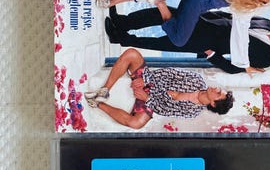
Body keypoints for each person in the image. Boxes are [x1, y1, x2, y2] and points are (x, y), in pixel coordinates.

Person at [105, 7, 270, 74]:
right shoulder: (266, 22)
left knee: (161, 43)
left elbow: (235, 69)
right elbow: (232, 16)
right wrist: (208, 13)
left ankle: (119, 37)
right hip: (205, 22)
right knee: (161, 14)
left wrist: (212, 54)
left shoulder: (265, 58)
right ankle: (122, 22)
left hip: (207, 44)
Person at [85, 48, 234, 129]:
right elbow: (167, 73)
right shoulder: (197, 80)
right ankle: (105, 90)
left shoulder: (193, 112)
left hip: (151, 102)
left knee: (136, 123)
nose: (216, 89)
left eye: (218, 93)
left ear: (213, 103)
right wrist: (145, 81)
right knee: (132, 54)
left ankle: (97, 104)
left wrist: (147, 98)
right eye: (219, 89)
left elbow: (165, 110)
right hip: (150, 82)